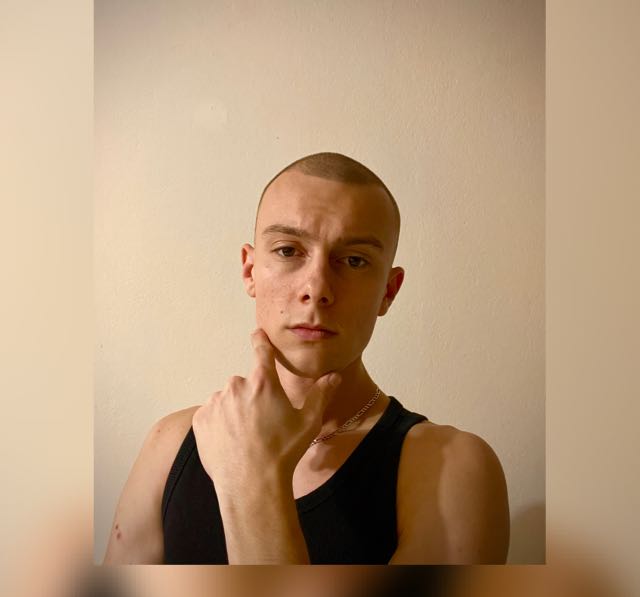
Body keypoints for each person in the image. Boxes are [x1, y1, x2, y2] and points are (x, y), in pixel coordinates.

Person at [103, 152, 510, 564]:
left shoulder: (451, 469)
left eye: (354, 260)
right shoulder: (170, 443)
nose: (317, 289)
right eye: (287, 251)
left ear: (388, 291)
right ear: (249, 271)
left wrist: (254, 480)